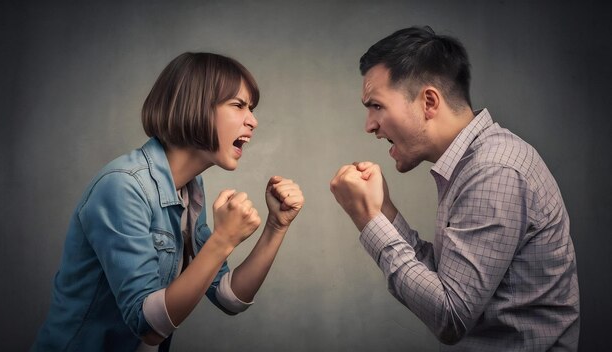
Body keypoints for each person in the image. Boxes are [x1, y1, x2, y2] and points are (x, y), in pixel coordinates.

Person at [32, 52, 304, 351]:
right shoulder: (123, 186)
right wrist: (223, 239)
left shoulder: (188, 188)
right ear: (195, 107)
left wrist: (276, 226)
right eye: (238, 105)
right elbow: (147, 326)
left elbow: (229, 298)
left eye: (251, 108)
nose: (253, 120)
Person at [330, 26, 579, 351]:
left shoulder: (493, 171)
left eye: (376, 106)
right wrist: (383, 211)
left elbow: (451, 316)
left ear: (429, 102)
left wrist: (367, 220)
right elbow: (449, 280)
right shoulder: (470, 163)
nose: (369, 125)